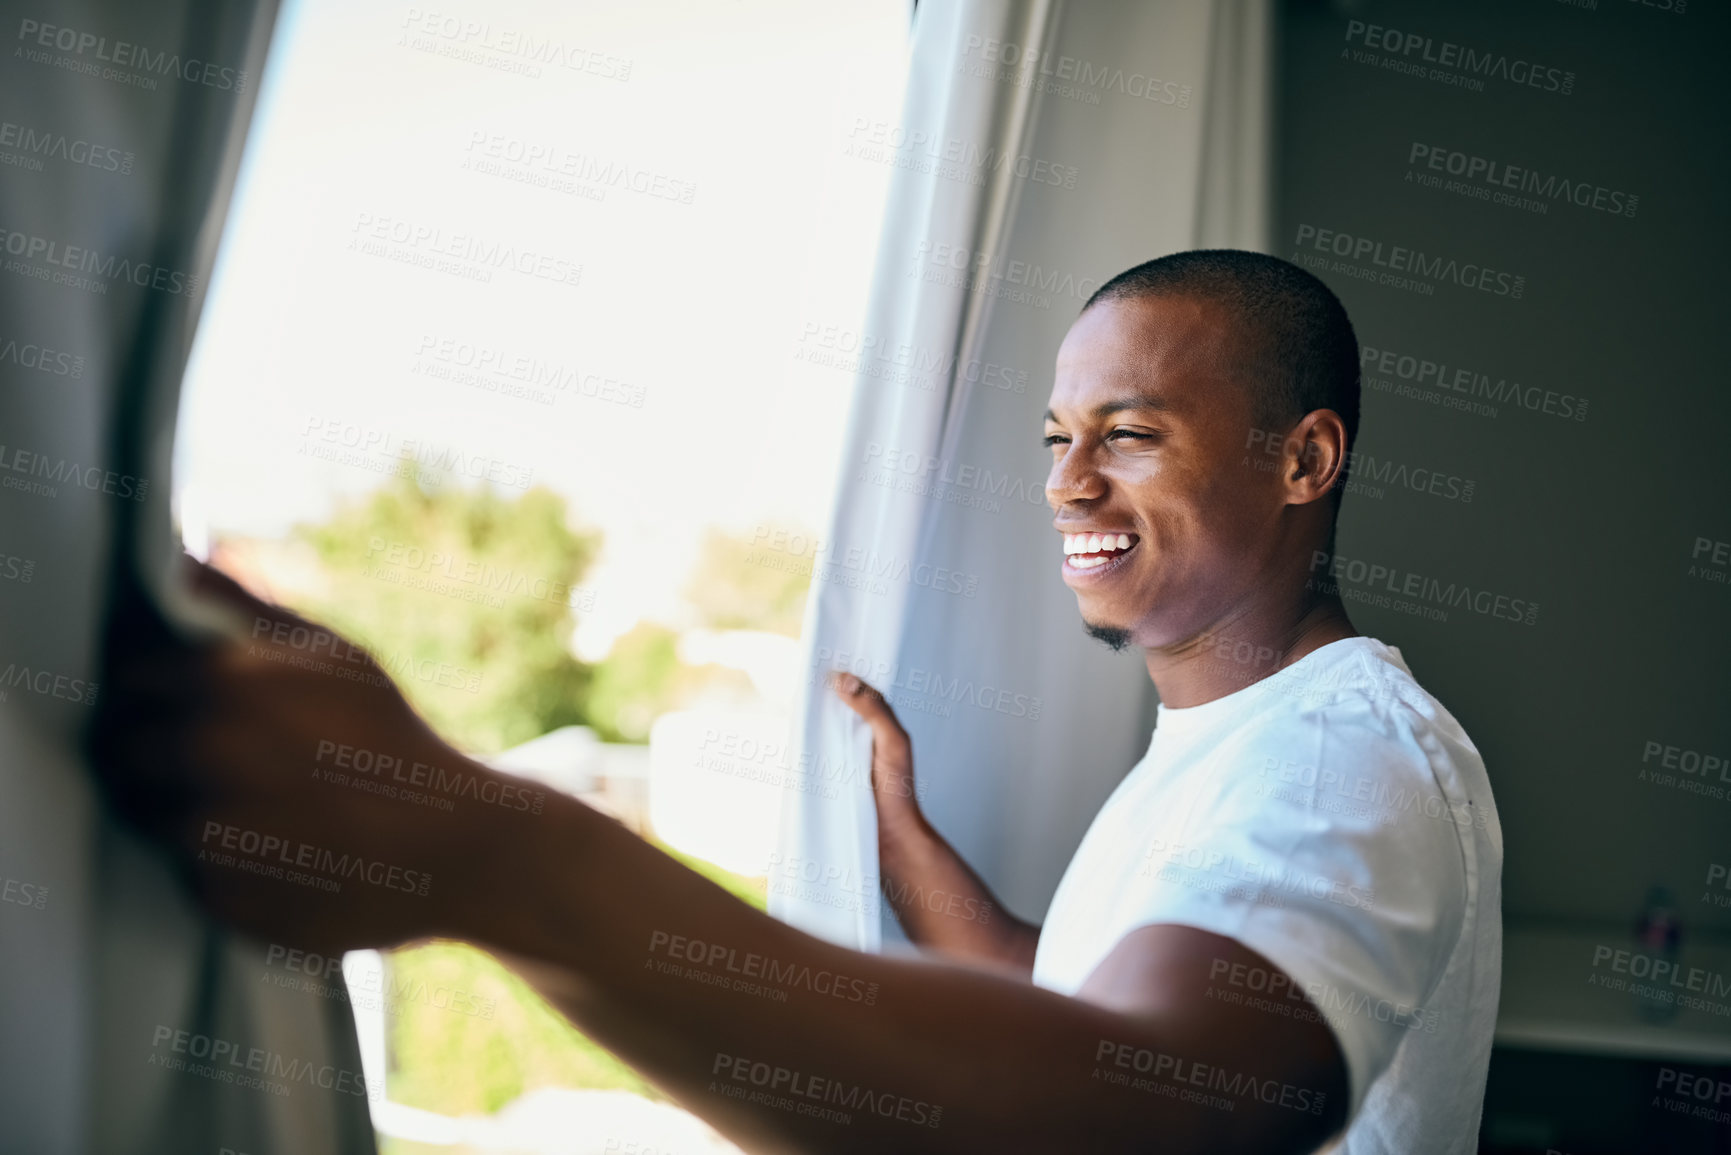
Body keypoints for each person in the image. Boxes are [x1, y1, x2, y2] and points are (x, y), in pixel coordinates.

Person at [95, 250, 1501, 1154]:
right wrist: (906, 845)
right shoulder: (1231, 743)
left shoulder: (1339, 760)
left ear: (1304, 458)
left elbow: (1143, 1108)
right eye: (1060, 438)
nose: (1069, 482)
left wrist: (497, 855)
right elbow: (1079, 1003)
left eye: (1130, 435)